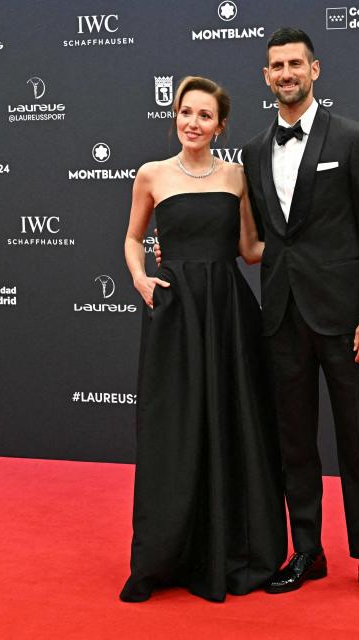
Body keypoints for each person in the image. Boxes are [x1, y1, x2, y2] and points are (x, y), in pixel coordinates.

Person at [241, 28, 359, 605]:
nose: (285, 73)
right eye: (275, 65)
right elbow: (254, 238)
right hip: (282, 315)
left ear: (315, 70)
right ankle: (306, 549)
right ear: (266, 77)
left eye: (294, 64)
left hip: (345, 318)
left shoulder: (355, 139)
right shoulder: (255, 150)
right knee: (295, 444)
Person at [120, 76, 286, 603]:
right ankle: (166, 553)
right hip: (175, 312)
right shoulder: (151, 174)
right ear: (176, 116)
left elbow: (251, 248)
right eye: (185, 112)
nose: (193, 123)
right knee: (176, 427)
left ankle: (232, 548)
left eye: (204, 116)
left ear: (220, 125)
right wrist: (142, 279)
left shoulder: (237, 176)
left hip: (228, 312)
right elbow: (131, 238)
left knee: (233, 422)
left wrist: (304, 239)